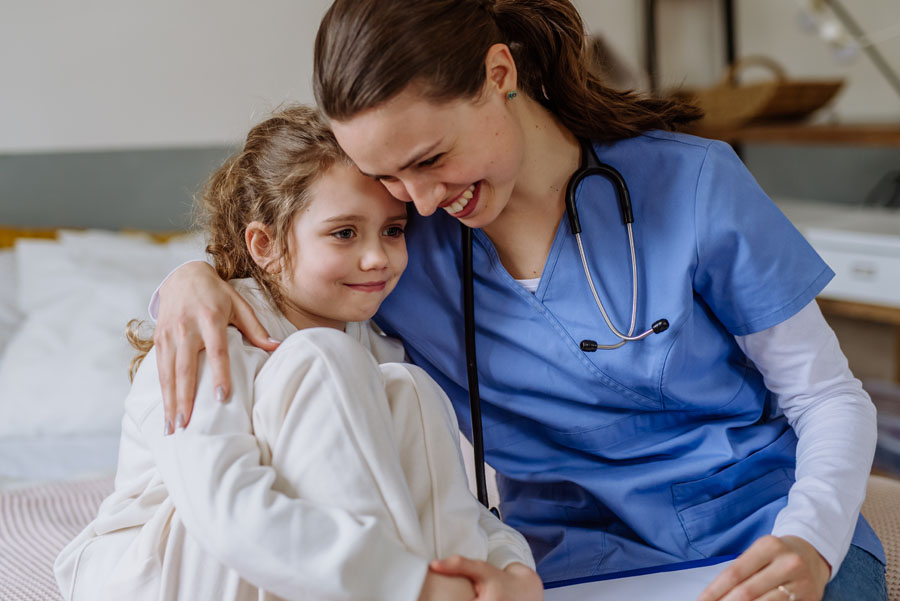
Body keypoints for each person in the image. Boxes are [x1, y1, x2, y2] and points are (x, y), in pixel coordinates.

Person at [149, 1, 889, 600]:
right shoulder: (404, 248)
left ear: (499, 72)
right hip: (565, 567)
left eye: (432, 159)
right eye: (393, 180)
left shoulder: (692, 185)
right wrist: (190, 278)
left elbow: (828, 396)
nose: (424, 198)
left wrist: (812, 540)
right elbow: (290, 276)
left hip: (761, 536)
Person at [54, 105, 540, 601]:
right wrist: (410, 584)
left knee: (410, 389)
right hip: (160, 569)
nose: (377, 257)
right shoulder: (210, 333)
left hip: (293, 561)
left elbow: (440, 492)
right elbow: (223, 508)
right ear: (264, 244)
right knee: (322, 356)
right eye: (344, 233)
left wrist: (508, 565)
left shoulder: (377, 347)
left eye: (393, 230)